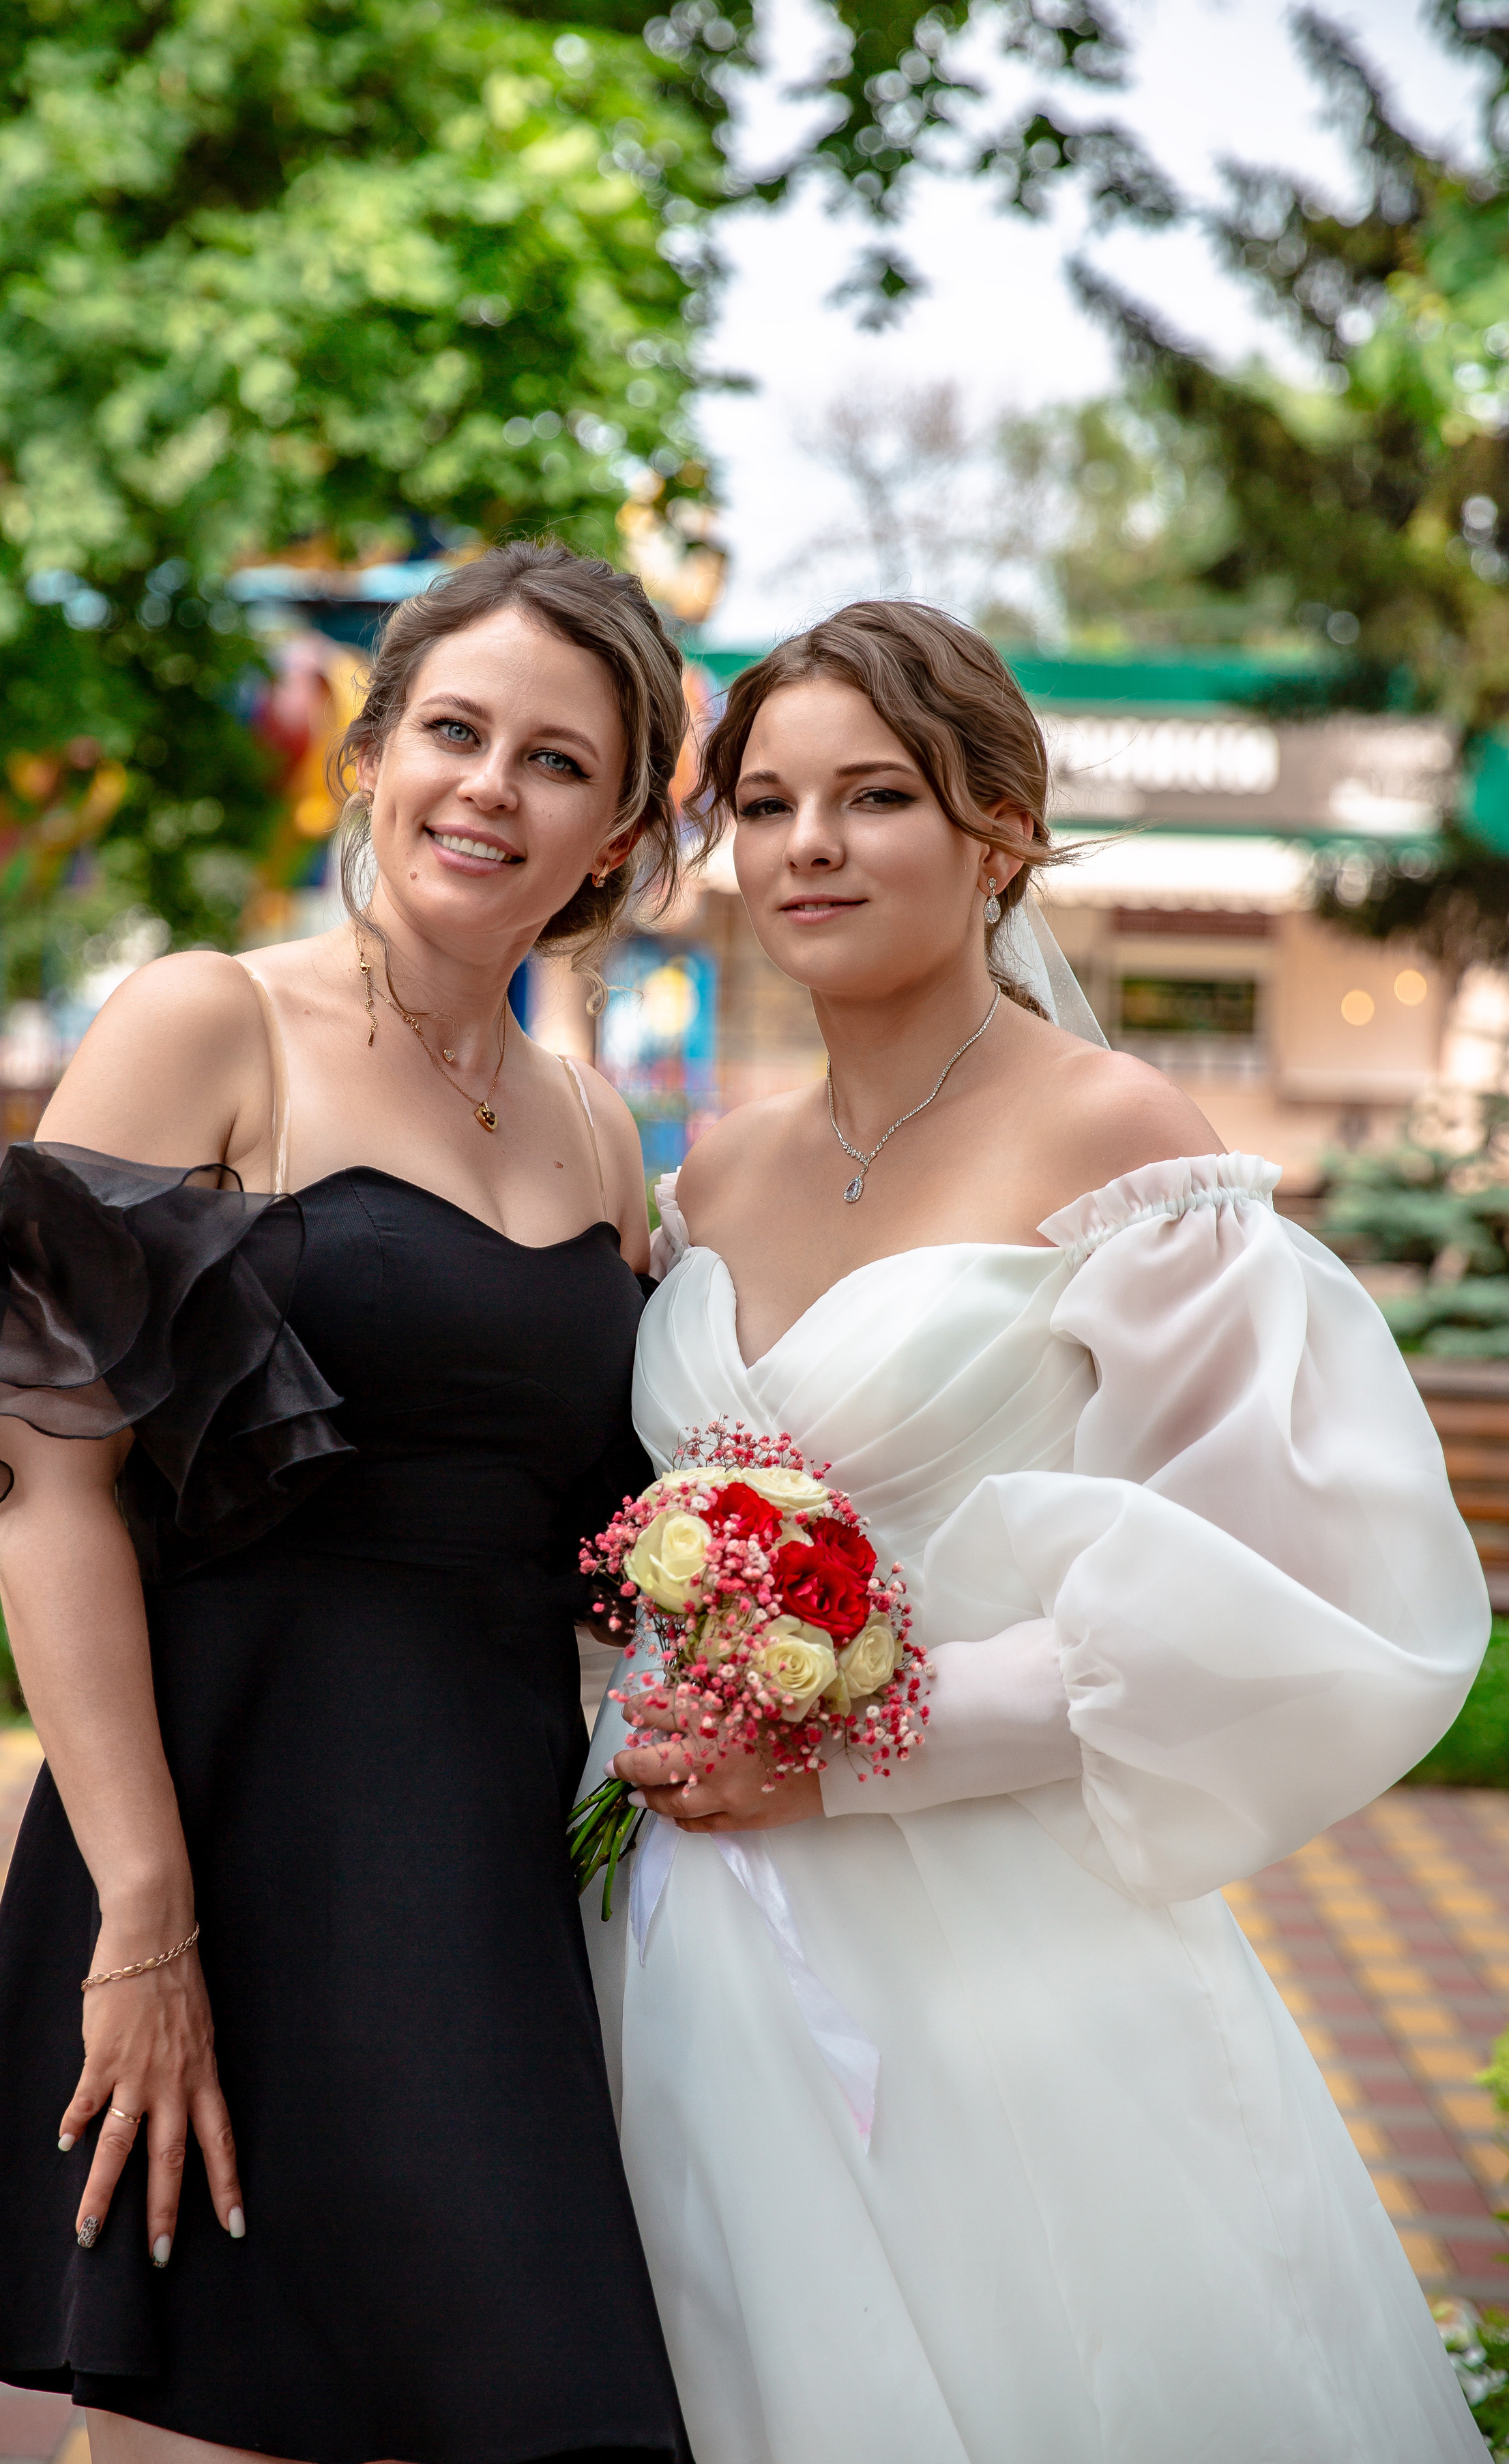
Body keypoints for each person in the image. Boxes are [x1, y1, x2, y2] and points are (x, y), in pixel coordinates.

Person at [590, 598, 1489, 2464]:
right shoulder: (713, 1167)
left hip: (995, 1953)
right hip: (675, 1919)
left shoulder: (1121, 1142)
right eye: (764, 805)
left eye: (876, 796)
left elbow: (1273, 1594)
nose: (809, 846)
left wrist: (837, 1762)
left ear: (1001, 827)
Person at [0, 543, 694, 2464]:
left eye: (560, 761)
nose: (491, 788)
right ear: (372, 757)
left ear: (616, 831)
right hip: (225, 1834)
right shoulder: (207, 1023)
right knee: (238, 2409)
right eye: (455, 729)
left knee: (537, 2396)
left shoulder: (594, 1124)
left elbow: (600, 1529)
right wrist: (146, 1911)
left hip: (498, 1862)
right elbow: (45, 1487)